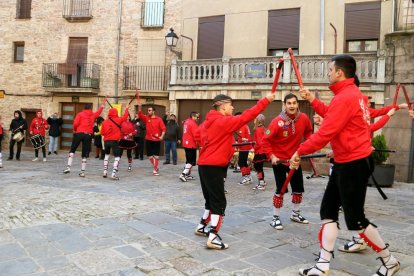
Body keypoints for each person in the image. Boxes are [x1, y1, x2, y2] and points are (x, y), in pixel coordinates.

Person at [290, 54, 400, 276]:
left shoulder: (345, 97)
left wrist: (299, 151)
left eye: (330, 70)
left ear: (339, 72)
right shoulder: (353, 95)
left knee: (356, 219)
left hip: (354, 163)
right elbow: (333, 117)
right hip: (346, 161)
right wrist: (312, 99)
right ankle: (322, 265)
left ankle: (389, 261)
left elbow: (326, 131)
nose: (328, 73)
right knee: (328, 211)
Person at [194, 92, 275, 250]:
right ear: (223, 106)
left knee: (210, 200)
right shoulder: (223, 121)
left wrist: (219, 142)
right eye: (231, 105)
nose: (233, 108)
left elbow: (198, 137)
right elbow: (246, 116)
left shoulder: (206, 122)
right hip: (214, 166)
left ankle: (202, 226)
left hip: (204, 165)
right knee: (219, 202)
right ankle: (213, 236)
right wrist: (266, 100)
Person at [262, 94, 313, 230]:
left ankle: (295, 214)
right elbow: (265, 140)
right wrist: (272, 156)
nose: (292, 106)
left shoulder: (304, 118)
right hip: (279, 161)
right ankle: (275, 217)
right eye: (289, 103)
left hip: (294, 159)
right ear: (284, 105)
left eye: (294, 103)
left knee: (298, 189)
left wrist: (308, 144)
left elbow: (308, 132)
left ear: (297, 104)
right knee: (281, 189)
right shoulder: (277, 121)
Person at [63, 102, 105, 177]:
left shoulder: (80, 114)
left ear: (84, 108)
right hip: (88, 135)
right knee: (85, 153)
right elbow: (98, 112)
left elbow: (75, 124)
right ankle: (82, 172)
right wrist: (102, 106)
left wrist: (75, 130)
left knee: (72, 149)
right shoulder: (93, 114)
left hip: (79, 133)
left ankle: (68, 167)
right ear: (90, 108)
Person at [101, 106, 130, 180]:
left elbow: (103, 133)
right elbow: (125, 116)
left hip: (106, 141)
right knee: (117, 157)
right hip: (114, 141)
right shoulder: (118, 120)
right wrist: (126, 108)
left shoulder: (104, 122)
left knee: (106, 156)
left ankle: (105, 172)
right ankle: (113, 174)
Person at [138, 106, 166, 176]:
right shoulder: (147, 118)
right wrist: (139, 109)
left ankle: (155, 169)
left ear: (153, 111)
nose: (148, 112)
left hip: (156, 140)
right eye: (148, 110)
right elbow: (140, 115)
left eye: (150, 110)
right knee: (150, 156)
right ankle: (156, 167)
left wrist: (161, 136)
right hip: (148, 139)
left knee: (156, 156)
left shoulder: (159, 119)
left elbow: (163, 129)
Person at [234, 112, 254, 185]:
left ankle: (245, 177)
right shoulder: (245, 125)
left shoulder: (242, 126)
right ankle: (248, 176)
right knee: (244, 162)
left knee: (241, 162)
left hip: (244, 147)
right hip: (246, 146)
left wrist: (237, 145)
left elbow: (242, 139)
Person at [179, 111, 200, 182]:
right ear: (193, 116)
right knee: (191, 161)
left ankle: (187, 174)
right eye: (197, 117)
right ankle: (183, 174)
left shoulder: (186, 122)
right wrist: (199, 144)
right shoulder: (193, 124)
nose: (198, 118)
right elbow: (196, 135)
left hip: (185, 143)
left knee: (188, 160)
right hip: (191, 144)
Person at [252, 114, 267, 190]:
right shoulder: (263, 128)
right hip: (263, 150)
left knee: (258, 167)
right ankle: (262, 181)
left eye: (255, 119)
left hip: (259, 151)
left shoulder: (258, 129)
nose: (254, 121)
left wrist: (253, 148)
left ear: (258, 120)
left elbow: (259, 142)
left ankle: (261, 183)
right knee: (259, 166)